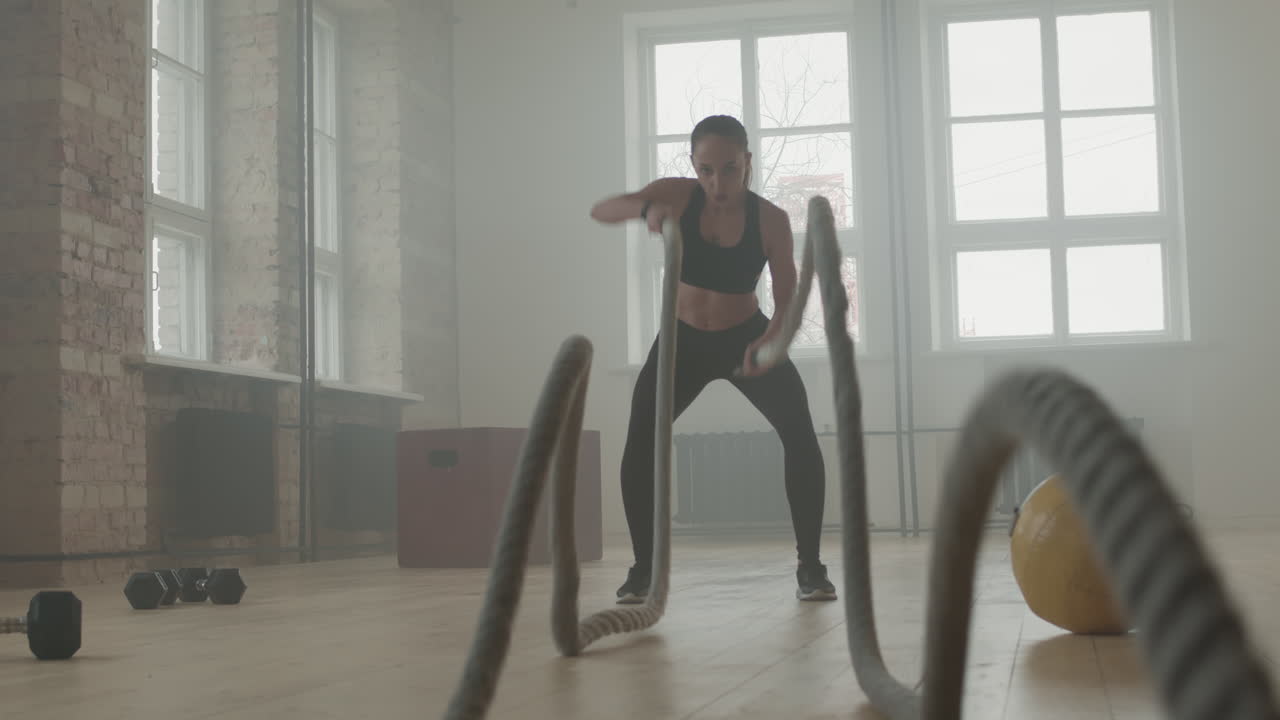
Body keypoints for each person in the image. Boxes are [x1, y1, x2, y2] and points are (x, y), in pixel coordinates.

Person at [590, 114, 836, 603]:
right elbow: (603, 210)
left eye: (728, 168)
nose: (717, 182)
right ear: (693, 166)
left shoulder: (769, 220)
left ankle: (811, 567)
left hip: (743, 340)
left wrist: (771, 344)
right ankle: (643, 571)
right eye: (706, 169)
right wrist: (648, 213)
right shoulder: (677, 195)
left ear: (747, 161)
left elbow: (788, 300)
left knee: (800, 434)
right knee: (641, 439)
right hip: (681, 345)